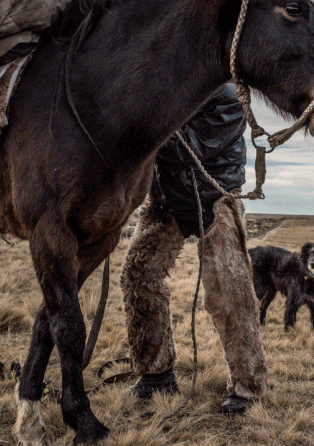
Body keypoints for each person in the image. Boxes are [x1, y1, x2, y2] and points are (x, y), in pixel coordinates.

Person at [120, 83, 268, 414]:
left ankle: (249, 384)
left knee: (231, 289)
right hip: (164, 200)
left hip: (217, 199)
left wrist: (133, 121)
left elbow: (188, 148)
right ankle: (156, 373)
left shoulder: (227, 95)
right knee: (138, 275)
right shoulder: (162, 85)